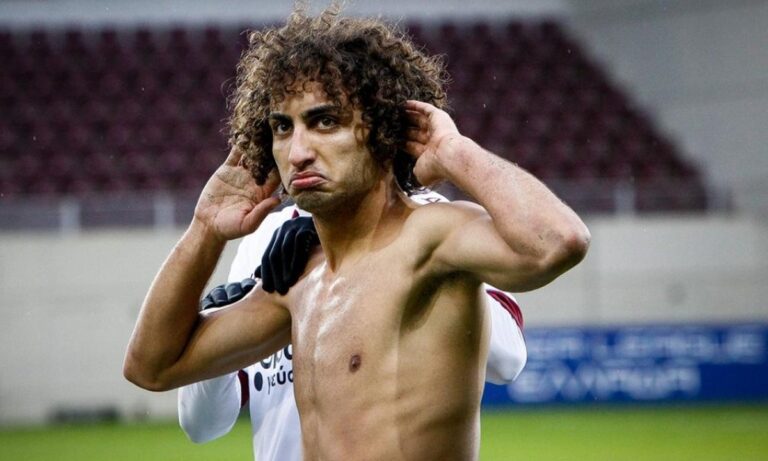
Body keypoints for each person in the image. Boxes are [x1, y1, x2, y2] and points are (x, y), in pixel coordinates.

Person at [123, 6, 590, 460]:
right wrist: (206, 228)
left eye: (325, 121)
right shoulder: (297, 283)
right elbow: (152, 367)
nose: (298, 152)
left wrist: (453, 151)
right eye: (282, 127)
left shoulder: (431, 238)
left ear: (384, 131)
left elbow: (558, 242)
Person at [177, 193, 528, 461]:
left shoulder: (434, 220)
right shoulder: (261, 238)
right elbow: (201, 425)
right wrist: (217, 317)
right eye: (284, 130)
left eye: (326, 126)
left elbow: (508, 360)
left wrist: (380, 252)